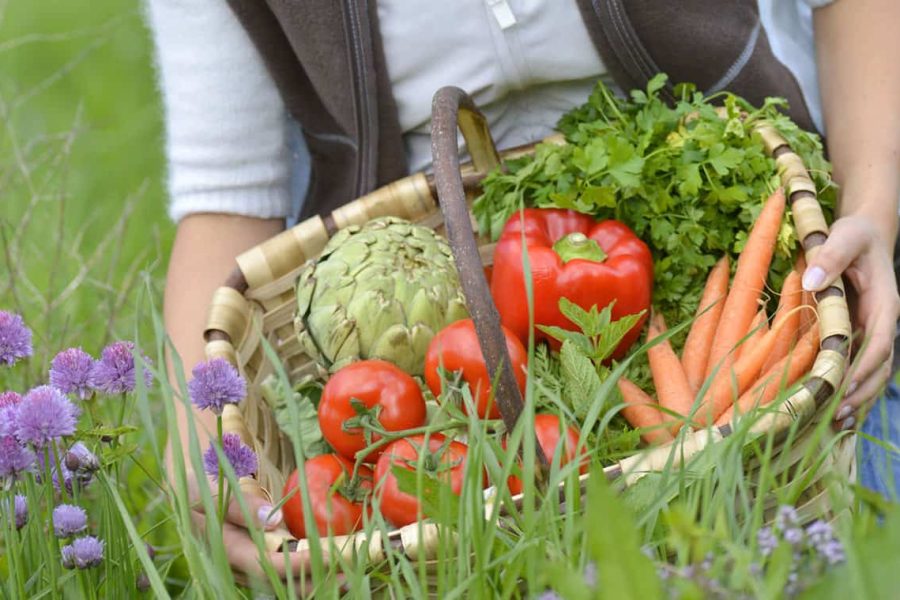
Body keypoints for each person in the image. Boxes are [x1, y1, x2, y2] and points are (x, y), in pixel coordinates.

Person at [148, 0, 900, 584]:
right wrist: (203, 442)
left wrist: (871, 210)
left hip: (789, 269)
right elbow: (226, 192)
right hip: (429, 311)